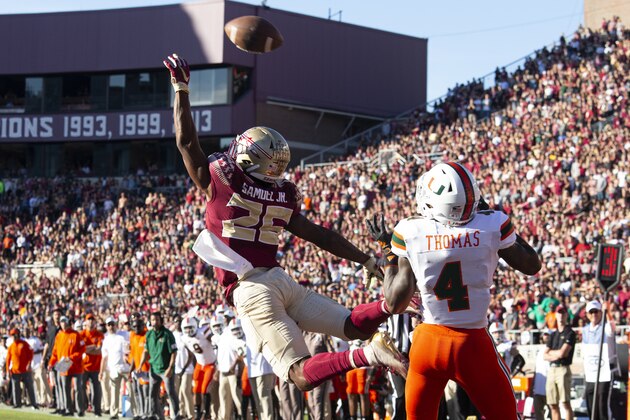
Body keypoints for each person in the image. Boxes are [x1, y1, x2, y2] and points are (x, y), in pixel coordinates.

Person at [163, 53, 406, 395]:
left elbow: (186, 142)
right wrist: (365, 259)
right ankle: (390, 303)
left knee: (297, 374)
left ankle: (369, 353)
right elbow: (318, 234)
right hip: (281, 280)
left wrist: (181, 89)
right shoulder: (281, 195)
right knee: (351, 325)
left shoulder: (222, 181)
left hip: (251, 289)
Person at [367, 161, 541, 420]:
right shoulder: (491, 226)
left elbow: (395, 302)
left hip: (429, 343)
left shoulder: (412, 230)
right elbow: (531, 264)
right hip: (472, 344)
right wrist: (495, 221)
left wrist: (389, 252)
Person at [141, 311, 180, 420]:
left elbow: (174, 352)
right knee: (152, 393)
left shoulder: (167, 334)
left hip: (165, 369)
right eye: (153, 320)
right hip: (154, 369)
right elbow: (146, 351)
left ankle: (176, 414)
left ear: (161, 321)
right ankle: (156, 415)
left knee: (170, 392)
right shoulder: (149, 335)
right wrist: (140, 364)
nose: (155, 322)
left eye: (157, 320)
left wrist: (170, 368)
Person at [581, 300, 617, 420]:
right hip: (591, 372)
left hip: (604, 371)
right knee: (591, 402)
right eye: (591, 312)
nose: (594, 315)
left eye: (596, 312)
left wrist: (608, 312)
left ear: (601, 313)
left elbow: (612, 328)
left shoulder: (605, 327)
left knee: (602, 402)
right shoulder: (585, 330)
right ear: (587, 314)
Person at [48, 315, 87, 417]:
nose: (63, 323)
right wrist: (51, 363)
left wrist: (72, 358)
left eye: (65, 321)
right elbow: (55, 352)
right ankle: (68, 409)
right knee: (65, 388)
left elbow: (82, 349)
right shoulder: (59, 335)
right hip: (64, 366)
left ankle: (80, 409)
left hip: (76, 366)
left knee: (78, 388)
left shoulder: (76, 335)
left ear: (68, 322)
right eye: (61, 322)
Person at [180, 316, 216, 420]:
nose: (188, 330)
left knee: (205, 388)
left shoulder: (204, 332)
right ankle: (197, 413)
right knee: (196, 389)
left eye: (190, 327)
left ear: (195, 326)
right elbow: (191, 354)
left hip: (210, 363)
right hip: (199, 365)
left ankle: (207, 412)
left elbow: (215, 343)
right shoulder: (185, 338)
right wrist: (185, 367)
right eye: (186, 328)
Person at [544, 305, 576, 420]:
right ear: (556, 315)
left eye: (563, 313)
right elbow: (544, 355)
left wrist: (552, 354)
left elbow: (563, 353)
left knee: (565, 402)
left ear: (566, 315)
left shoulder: (570, 333)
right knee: (552, 404)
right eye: (559, 313)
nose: (561, 315)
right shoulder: (553, 335)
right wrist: (556, 354)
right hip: (552, 369)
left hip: (563, 368)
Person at [100, 316, 130, 420]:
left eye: (112, 324)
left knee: (131, 391)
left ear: (116, 325)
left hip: (127, 368)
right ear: (106, 326)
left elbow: (129, 348)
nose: (111, 326)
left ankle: (135, 412)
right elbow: (104, 356)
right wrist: (101, 371)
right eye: (109, 325)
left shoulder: (123, 335)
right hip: (114, 369)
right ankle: (114, 413)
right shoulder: (106, 339)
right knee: (114, 392)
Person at [5, 328, 37, 409]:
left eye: (14, 335)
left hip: (25, 370)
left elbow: (31, 353)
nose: (13, 337)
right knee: (16, 388)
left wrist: (29, 363)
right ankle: (17, 404)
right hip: (15, 370)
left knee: (30, 387)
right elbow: (8, 359)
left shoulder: (24, 343)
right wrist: (7, 371)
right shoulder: (11, 346)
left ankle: (33, 404)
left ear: (18, 334)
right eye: (12, 335)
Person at [129, 313, 151, 420]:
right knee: (138, 393)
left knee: (146, 393)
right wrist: (130, 370)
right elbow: (133, 355)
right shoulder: (133, 336)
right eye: (135, 326)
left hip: (147, 369)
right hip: (137, 369)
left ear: (143, 326)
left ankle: (147, 413)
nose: (136, 328)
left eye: (138, 326)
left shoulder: (147, 335)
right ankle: (141, 412)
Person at [81, 314, 104, 417]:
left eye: (92, 320)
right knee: (80, 388)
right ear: (85, 322)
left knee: (97, 390)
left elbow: (99, 350)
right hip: (83, 367)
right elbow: (81, 349)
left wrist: (87, 349)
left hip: (95, 367)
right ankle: (83, 407)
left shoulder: (99, 335)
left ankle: (97, 410)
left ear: (95, 322)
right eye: (88, 320)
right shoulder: (81, 334)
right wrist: (93, 347)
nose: (90, 322)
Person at [533, 329, 551, 420]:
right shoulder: (540, 350)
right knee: (538, 414)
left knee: (553, 412)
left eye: (548, 335)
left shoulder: (553, 349)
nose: (546, 336)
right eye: (545, 335)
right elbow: (536, 369)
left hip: (549, 388)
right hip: (538, 389)